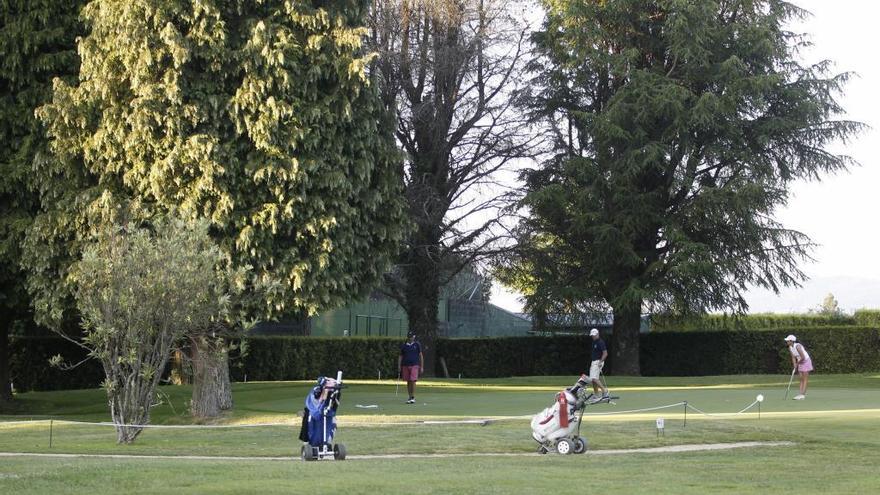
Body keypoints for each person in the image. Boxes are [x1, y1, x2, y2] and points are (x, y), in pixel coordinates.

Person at [398, 332, 424, 404]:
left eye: (411, 337)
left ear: (414, 337)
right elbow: (400, 356)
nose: (410, 338)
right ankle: (410, 397)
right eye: (409, 337)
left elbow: (421, 355)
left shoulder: (417, 345)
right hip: (405, 365)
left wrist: (421, 366)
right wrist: (399, 366)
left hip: (415, 365)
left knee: (413, 380)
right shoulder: (404, 346)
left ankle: (412, 397)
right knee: (408, 381)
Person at [785, 334, 812, 400]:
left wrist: (797, 363)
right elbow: (793, 357)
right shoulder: (790, 347)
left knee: (805, 378)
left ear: (792, 341)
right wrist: (794, 364)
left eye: (788, 341)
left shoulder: (798, 346)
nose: (787, 342)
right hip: (800, 361)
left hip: (806, 361)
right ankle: (800, 394)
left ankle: (802, 395)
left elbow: (803, 357)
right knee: (800, 378)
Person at [588, 328, 608, 399]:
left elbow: (605, 353)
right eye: (592, 335)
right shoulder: (594, 342)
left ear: (597, 334)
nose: (593, 336)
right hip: (594, 362)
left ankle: (604, 391)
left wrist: (600, 362)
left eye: (594, 335)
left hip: (598, 362)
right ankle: (596, 394)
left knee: (594, 379)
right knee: (593, 379)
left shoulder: (600, 342)